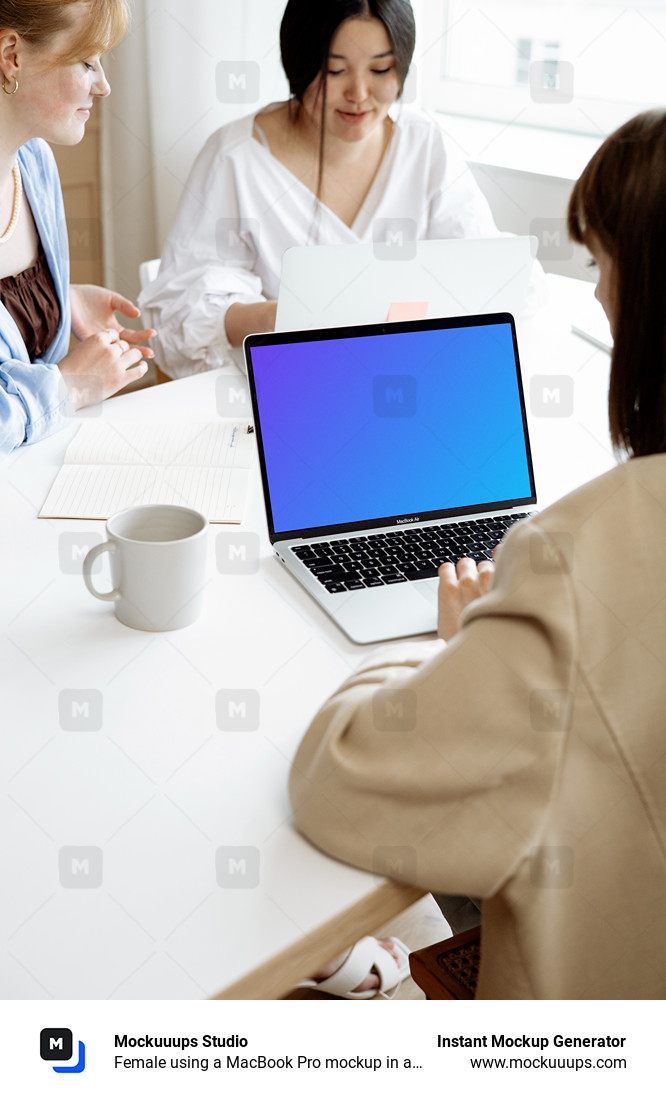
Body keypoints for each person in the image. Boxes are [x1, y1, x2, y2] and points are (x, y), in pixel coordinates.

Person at [288, 109, 666, 999]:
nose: (602, 296)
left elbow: (336, 783)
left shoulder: (581, 565)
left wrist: (447, 648)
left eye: (605, 263)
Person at [139, 0, 498, 379]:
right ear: (300, 63)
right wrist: (276, 317)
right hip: (280, 389)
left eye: (380, 69)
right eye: (335, 70)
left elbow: (480, 272)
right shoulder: (235, 158)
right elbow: (176, 318)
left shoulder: (423, 143)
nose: (359, 93)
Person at [0, 0, 154, 461]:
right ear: (11, 55)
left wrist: (56, 301)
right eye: (87, 62)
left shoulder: (34, 165)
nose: (104, 86)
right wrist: (70, 386)